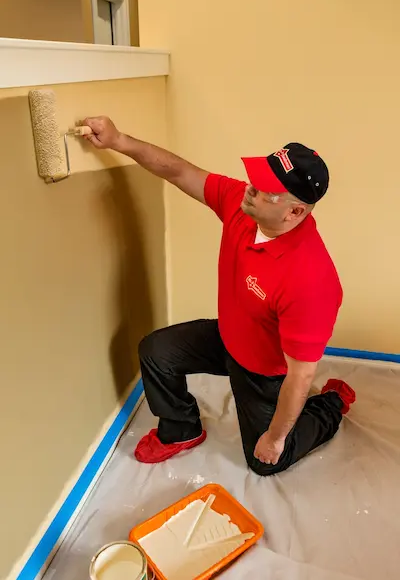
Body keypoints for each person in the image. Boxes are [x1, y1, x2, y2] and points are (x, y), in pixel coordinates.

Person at [83, 116, 356, 476]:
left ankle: (331, 405)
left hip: (264, 369)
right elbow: (180, 172)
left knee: (265, 461)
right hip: (229, 336)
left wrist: (275, 438)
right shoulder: (243, 209)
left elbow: (301, 375)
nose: (249, 190)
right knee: (156, 351)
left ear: (294, 212)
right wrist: (119, 140)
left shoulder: (310, 280)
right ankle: (181, 429)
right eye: (255, 181)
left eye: (263, 190)